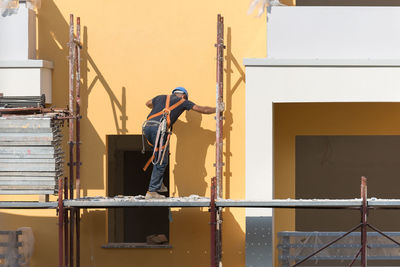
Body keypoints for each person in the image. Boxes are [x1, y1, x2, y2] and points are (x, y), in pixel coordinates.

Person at [142, 87, 217, 199]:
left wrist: (159, 107)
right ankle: (152, 191)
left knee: (159, 156)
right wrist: (217, 109)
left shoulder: (160, 97)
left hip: (147, 128)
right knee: (161, 160)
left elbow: (147, 103)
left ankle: (158, 183)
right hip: (158, 130)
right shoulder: (183, 102)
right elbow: (202, 109)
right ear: (184, 96)